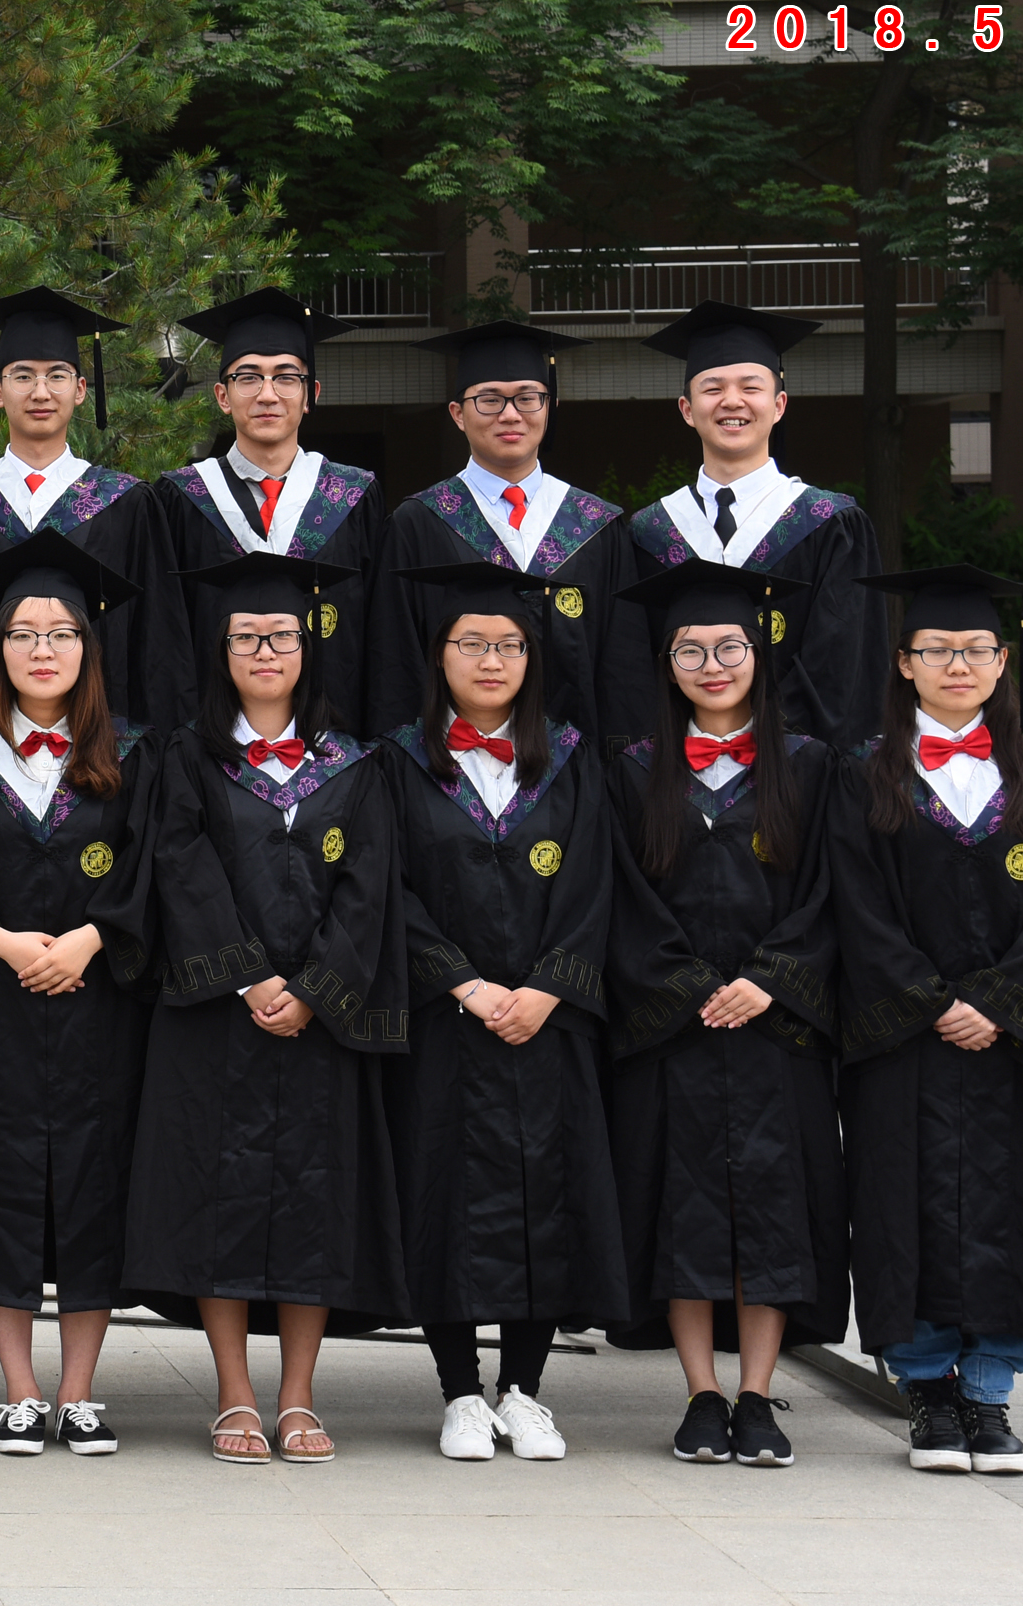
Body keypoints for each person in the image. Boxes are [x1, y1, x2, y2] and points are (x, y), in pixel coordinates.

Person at [128, 552, 409, 1465]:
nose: (264, 652)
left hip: (322, 1022)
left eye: (281, 636)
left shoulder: (357, 765)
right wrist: (249, 978)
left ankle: (297, 1397)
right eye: (246, 637)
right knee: (219, 1198)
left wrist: (317, 990)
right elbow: (181, 868)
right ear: (222, 651)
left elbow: (369, 886)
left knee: (312, 1201)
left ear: (307, 647)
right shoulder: (185, 756)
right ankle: (235, 1394)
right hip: (218, 1012)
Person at [827, 566, 1023, 1476]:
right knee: (902, 1204)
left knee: (1016, 1202)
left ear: (1002, 662)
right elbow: (857, 907)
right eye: (937, 650)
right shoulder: (865, 774)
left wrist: (999, 1008)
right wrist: (934, 1003)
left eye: (976, 650)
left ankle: (988, 1392)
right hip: (904, 1042)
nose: (957, 665)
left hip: (1010, 1047)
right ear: (904, 663)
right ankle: (927, 1393)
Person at [0, 531, 158, 1460]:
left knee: (96, 1183)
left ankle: (80, 1393)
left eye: (61, 633)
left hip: (101, 1005)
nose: (42, 650)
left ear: (89, 648)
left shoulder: (136, 752)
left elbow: (149, 871)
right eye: (22, 634)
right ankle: (19, 1392)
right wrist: (3, 940)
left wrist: (92, 937)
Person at [375, 564, 626, 1464]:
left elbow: (595, 883)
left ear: (532, 657)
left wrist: (549, 988)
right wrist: (465, 984)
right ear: (439, 656)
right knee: (442, 1197)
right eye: (472, 644)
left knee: (545, 1200)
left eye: (510, 645)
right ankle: (458, 1393)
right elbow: (386, 888)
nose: (491, 660)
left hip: (549, 1025)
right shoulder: (397, 761)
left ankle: (524, 1391)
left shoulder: (573, 757)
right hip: (445, 1022)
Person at [599, 560, 846, 1469]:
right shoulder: (633, 770)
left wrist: (771, 980)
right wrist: (687, 988)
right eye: (691, 651)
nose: (712, 666)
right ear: (666, 664)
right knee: (683, 1209)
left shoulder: (811, 766)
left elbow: (832, 892)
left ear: (759, 654)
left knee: (774, 1213)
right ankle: (701, 1392)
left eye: (729, 648)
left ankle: (756, 1394)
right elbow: (621, 897)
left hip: (777, 1031)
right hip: (674, 1033)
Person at [618, 301, 884, 744]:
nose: (732, 401)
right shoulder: (649, 533)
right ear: (687, 409)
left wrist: (775, 749)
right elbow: (636, 663)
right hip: (678, 764)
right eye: (712, 388)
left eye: (750, 387)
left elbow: (842, 666)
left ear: (778, 405)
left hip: (801, 764)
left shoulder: (830, 524)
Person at [364, 323, 631, 739]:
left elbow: (623, 667)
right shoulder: (416, 524)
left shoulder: (597, 525)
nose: (510, 414)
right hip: (448, 765)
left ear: (549, 406)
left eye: (527, 398)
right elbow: (395, 661)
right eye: (489, 400)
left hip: (576, 768)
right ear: (458, 414)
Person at [0, 289, 183, 719]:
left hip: (104, 729)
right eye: (22, 376)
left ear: (80, 390)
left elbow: (155, 638)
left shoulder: (125, 503)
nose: (41, 392)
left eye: (57, 375)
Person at [151, 289, 380, 733]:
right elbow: (165, 639)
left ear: (310, 394)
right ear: (223, 396)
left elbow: (378, 633)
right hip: (208, 745)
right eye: (249, 377)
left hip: (333, 743)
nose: (268, 394)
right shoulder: (182, 498)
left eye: (286, 377)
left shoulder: (352, 496)